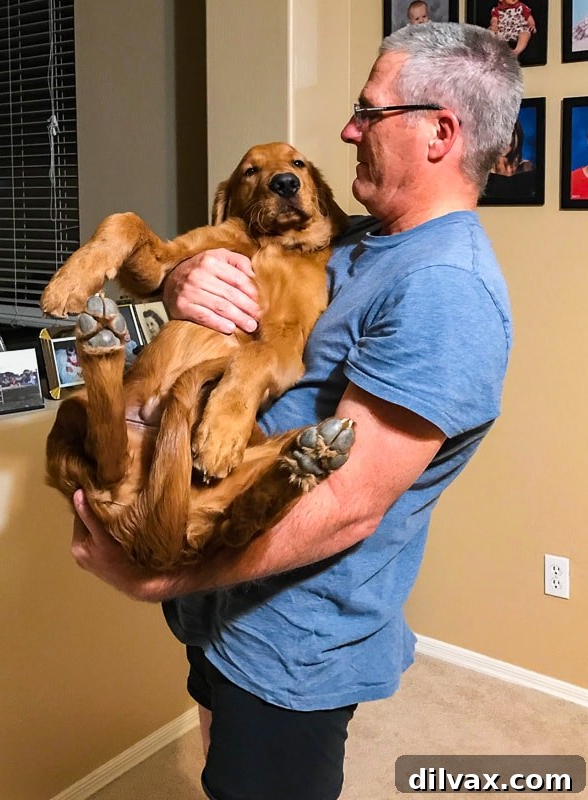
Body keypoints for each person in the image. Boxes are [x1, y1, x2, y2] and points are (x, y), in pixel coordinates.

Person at [71, 22, 522, 800]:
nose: (347, 129)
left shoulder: (447, 289)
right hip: (222, 604)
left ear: (441, 132)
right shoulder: (353, 244)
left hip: (291, 642)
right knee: (219, 765)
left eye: (369, 112)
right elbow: (213, 276)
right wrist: (181, 285)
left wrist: (160, 579)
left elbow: (347, 507)